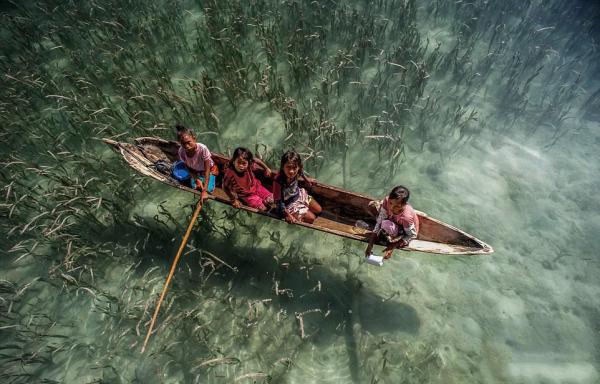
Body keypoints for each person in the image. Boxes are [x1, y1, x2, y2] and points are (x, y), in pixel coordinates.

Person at [365, 185, 419, 259]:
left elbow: (412, 235)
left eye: (396, 206)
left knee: (386, 225)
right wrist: (370, 244)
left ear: (403, 205)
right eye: (390, 203)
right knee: (373, 207)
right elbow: (379, 222)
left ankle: (392, 235)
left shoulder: (406, 218)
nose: (391, 208)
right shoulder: (387, 200)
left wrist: (392, 246)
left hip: (403, 228)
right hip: (393, 219)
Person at [272, 151, 322, 224]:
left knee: (319, 210)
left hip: (298, 195)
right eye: (288, 167)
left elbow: (300, 171)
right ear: (283, 167)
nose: (291, 171)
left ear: (298, 167)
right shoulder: (278, 180)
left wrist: (307, 179)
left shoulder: (297, 171)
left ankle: (303, 211)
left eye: (294, 167)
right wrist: (288, 215)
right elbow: (278, 202)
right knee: (312, 218)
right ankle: (299, 216)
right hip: (287, 204)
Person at [223, 147, 274, 211]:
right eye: (239, 162)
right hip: (246, 195)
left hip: (257, 187)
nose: (241, 166)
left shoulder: (249, 165)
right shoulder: (230, 174)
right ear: (234, 162)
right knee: (263, 209)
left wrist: (266, 168)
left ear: (248, 163)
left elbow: (256, 160)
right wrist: (233, 200)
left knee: (272, 200)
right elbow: (225, 187)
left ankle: (264, 201)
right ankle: (260, 202)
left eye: (244, 163)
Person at [176, 124, 217, 201]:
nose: (187, 146)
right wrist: (196, 179)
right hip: (196, 172)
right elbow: (187, 167)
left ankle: (209, 183)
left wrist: (204, 191)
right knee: (195, 187)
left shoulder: (202, 149)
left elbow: (207, 170)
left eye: (188, 142)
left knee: (209, 190)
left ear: (194, 139)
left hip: (208, 171)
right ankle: (200, 182)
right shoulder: (181, 151)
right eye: (183, 144)